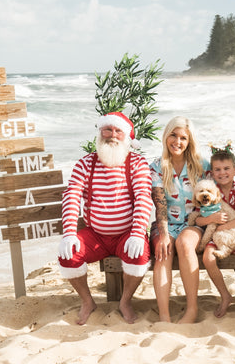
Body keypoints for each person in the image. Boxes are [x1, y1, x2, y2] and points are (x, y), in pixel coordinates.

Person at [57, 112, 153, 325]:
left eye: (118, 131)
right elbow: (72, 195)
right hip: (95, 235)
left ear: (126, 136)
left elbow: (143, 198)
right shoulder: (86, 163)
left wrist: (137, 234)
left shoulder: (136, 162)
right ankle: (87, 301)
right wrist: (69, 232)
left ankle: (125, 301)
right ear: (100, 132)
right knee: (68, 256)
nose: (112, 135)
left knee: (139, 257)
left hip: (126, 234)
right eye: (107, 129)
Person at [149, 116, 210, 323]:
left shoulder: (201, 165)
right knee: (163, 251)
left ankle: (192, 310)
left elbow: (213, 196)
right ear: (166, 136)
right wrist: (164, 234)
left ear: (189, 141)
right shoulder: (157, 167)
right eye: (173, 135)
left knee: (185, 244)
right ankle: (164, 315)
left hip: (194, 222)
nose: (177, 141)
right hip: (165, 222)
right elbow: (160, 204)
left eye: (183, 138)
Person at [197, 145, 235, 322]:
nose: (222, 173)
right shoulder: (208, 192)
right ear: (211, 172)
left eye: (226, 169)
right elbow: (198, 219)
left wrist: (226, 226)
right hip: (217, 239)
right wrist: (212, 219)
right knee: (208, 258)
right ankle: (225, 295)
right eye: (217, 169)